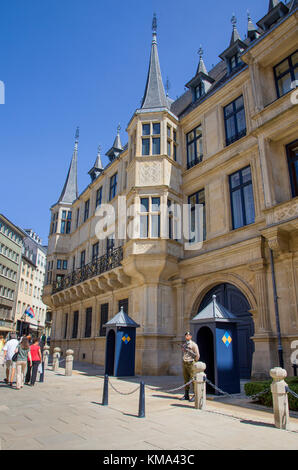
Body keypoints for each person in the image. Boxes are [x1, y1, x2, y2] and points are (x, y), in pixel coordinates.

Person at [180, 331, 200, 401]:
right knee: (186, 380)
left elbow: (197, 355)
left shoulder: (194, 345)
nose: (187, 337)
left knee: (193, 379)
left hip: (191, 363)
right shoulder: (184, 345)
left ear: (191, 336)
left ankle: (195, 395)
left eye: (188, 335)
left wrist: (194, 362)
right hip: (185, 362)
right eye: (186, 335)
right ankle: (186, 395)